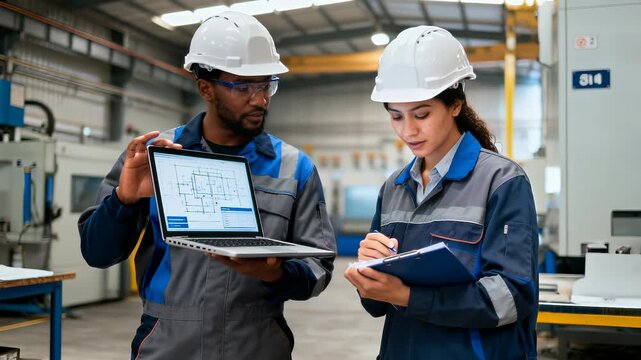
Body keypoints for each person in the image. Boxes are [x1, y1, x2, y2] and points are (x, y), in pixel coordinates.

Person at [78, 11, 336, 360]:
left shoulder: (295, 168)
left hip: (258, 345)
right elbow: (97, 253)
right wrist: (124, 199)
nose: (260, 99)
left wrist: (275, 273)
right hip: (168, 344)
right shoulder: (154, 157)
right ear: (205, 88)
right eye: (244, 87)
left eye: (266, 85)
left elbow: (318, 271)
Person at [344, 26, 538, 359]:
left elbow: (511, 298)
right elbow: (377, 306)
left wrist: (409, 296)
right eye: (396, 116)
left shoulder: (502, 181)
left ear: (455, 105)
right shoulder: (394, 187)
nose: (408, 130)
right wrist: (370, 271)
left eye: (421, 114)